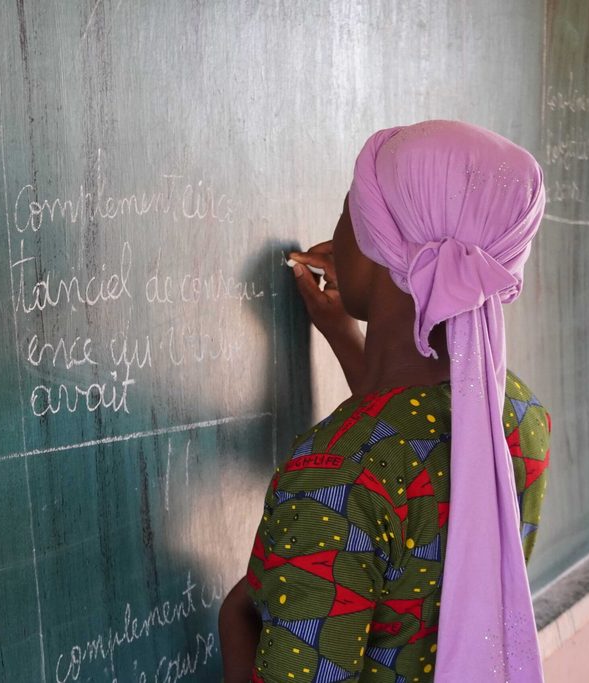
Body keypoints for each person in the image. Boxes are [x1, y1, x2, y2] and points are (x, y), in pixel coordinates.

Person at [220, 120, 552, 682]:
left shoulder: (335, 477)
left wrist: (237, 621)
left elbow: (378, 463)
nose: (339, 231)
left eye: (348, 212)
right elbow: (415, 451)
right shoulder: (516, 412)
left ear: (376, 247)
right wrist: (349, 336)